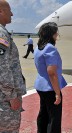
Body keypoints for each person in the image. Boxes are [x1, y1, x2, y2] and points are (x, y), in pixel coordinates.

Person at [34, 22, 67, 133]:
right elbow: (52, 73)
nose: (57, 34)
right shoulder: (50, 48)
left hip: (40, 86)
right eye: (56, 32)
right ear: (51, 34)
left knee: (43, 114)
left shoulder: (38, 47)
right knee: (54, 118)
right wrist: (57, 93)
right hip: (50, 88)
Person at [0, 0, 26, 132]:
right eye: (9, 10)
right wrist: (12, 96)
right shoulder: (1, 34)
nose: (12, 14)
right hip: (4, 101)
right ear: (1, 11)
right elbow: (2, 68)